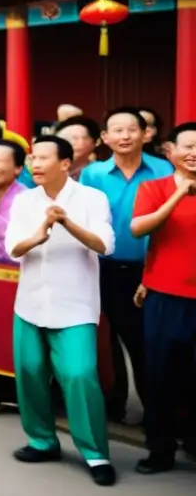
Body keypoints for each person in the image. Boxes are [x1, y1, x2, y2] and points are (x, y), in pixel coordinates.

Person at [4, 136, 116, 486]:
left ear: (66, 163)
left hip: (75, 304)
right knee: (30, 371)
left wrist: (66, 223)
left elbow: (105, 245)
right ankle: (41, 440)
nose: (34, 164)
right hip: (30, 302)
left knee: (80, 373)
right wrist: (40, 234)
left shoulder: (91, 199)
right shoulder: (24, 200)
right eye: (32, 158)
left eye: (43, 158)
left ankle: (95, 453)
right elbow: (12, 248)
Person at [79, 108, 173, 423]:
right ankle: (114, 403)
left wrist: (151, 272)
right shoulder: (92, 175)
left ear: (145, 133)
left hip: (149, 269)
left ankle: (157, 414)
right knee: (107, 340)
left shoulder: (163, 170)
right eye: (116, 130)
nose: (124, 136)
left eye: (132, 129)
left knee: (147, 343)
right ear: (104, 138)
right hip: (103, 267)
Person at [130, 122, 196, 474]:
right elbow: (140, 228)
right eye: (187, 145)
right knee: (161, 377)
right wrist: (179, 194)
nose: (194, 153)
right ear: (171, 151)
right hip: (165, 295)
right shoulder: (153, 188)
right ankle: (160, 449)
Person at [55, 116, 101, 180]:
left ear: (95, 142)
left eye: (75, 138)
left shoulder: (100, 175)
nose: (68, 143)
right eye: (63, 139)